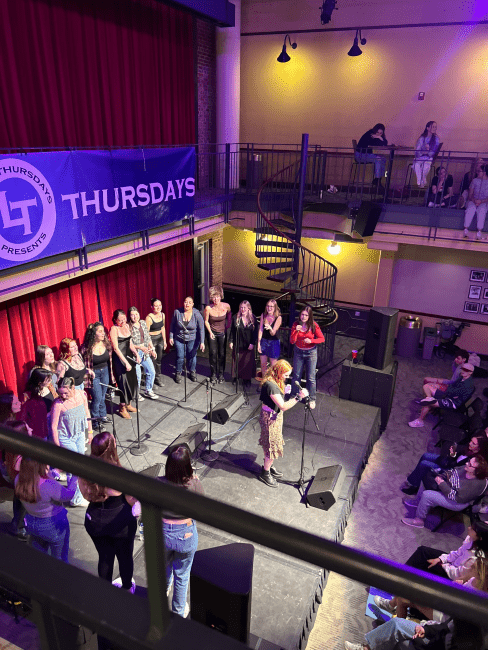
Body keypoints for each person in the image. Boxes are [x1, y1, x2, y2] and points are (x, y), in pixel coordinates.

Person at [374, 517, 488, 619]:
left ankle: (394, 601)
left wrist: (444, 566)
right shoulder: (470, 541)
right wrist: (441, 559)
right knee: (423, 552)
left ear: (480, 538)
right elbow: (457, 553)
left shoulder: (476, 562)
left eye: (472, 529)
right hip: (453, 571)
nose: (468, 528)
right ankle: (397, 584)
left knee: (422, 571)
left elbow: (457, 575)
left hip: (451, 576)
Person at [79, 432, 139, 594]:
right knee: (125, 557)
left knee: (105, 558)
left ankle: (106, 593)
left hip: (95, 521)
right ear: (112, 449)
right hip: (120, 524)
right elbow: (131, 500)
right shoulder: (118, 474)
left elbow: (85, 495)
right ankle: (127, 588)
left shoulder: (84, 470)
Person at [159, 445, 204, 617]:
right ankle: (178, 612)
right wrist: (194, 480)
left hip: (162, 533)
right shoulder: (195, 485)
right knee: (182, 575)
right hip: (185, 534)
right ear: (188, 466)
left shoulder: (157, 483)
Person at [14, 457, 78, 561]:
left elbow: (37, 481)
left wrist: (53, 473)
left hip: (31, 522)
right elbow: (68, 495)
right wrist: (75, 478)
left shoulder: (18, 479)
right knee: (60, 559)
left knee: (39, 557)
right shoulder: (48, 484)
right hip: (53, 524)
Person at [258, 359, 308, 488]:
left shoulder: (275, 380)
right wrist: (298, 397)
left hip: (275, 416)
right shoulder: (271, 385)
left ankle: (268, 466)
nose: (287, 377)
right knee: (271, 445)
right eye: (285, 375)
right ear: (279, 372)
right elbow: (283, 406)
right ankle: (265, 472)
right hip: (270, 418)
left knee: (274, 442)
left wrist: (284, 392)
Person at [402, 454, 488, 528]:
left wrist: (442, 484)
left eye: (470, 464)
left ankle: (419, 520)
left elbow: (457, 498)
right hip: (448, 487)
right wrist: (441, 477)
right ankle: (418, 502)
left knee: (427, 495)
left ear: (476, 472)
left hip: (457, 502)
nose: (466, 463)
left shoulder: (475, 485)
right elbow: (451, 472)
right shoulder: (465, 468)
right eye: (469, 461)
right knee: (425, 478)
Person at [51, 377, 92, 507]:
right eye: (60, 392)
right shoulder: (58, 404)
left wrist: (89, 432)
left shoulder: (81, 395)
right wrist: (57, 446)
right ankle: (76, 498)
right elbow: (53, 426)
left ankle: (76, 493)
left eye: (65, 393)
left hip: (79, 434)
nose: (62, 396)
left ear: (73, 388)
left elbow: (87, 413)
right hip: (65, 437)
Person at [401, 435, 488, 495]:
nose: (470, 443)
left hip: (449, 471)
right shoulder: (468, 449)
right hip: (449, 461)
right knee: (426, 455)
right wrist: (452, 454)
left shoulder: (474, 460)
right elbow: (456, 457)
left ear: (479, 448)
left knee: (424, 464)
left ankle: (414, 486)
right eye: (471, 441)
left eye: (473, 443)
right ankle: (414, 480)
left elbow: (458, 469)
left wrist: (451, 459)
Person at [408, 363, 475, 428]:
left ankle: (420, 421)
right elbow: (451, 388)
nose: (463, 371)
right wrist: (452, 391)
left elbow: (453, 393)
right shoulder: (461, 377)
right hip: (448, 395)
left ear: (470, 372)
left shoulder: (468, 385)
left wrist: (452, 392)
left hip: (453, 402)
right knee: (426, 386)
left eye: (466, 370)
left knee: (428, 402)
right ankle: (429, 399)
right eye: (462, 368)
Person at [290, 306, 325, 410]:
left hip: (311, 353)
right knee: (296, 375)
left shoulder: (313, 325)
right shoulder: (296, 324)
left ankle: (312, 398)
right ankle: (294, 396)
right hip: (298, 352)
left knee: (311, 377)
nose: (303, 317)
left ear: (309, 316)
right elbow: (292, 341)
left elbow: (321, 338)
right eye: (302, 314)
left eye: (306, 315)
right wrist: (296, 331)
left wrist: (312, 341)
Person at [109, 309, 140, 419]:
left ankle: (128, 404)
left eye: (124, 319)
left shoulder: (126, 326)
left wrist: (136, 354)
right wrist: (126, 363)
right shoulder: (114, 329)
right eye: (120, 320)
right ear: (115, 320)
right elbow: (116, 348)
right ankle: (122, 408)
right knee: (124, 384)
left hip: (129, 357)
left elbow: (130, 342)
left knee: (132, 382)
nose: (122, 322)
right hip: (120, 360)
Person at [82, 322, 113, 425]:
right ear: (93, 334)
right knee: (97, 397)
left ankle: (103, 416)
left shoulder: (106, 343)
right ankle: (95, 422)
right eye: (100, 331)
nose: (103, 333)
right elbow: (81, 364)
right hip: (93, 374)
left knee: (103, 396)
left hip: (104, 371)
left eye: (103, 331)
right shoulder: (86, 348)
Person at [169, 296, 205, 384]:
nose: (187, 304)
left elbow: (201, 329)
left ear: (193, 304)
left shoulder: (197, 314)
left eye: (189, 302)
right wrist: (170, 337)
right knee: (180, 356)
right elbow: (172, 325)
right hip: (179, 338)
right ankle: (178, 372)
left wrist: (202, 342)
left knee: (192, 356)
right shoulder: (177, 312)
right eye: (185, 302)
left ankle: (192, 372)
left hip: (193, 339)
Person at [128, 306, 159, 400]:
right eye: (132, 315)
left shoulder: (143, 323)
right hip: (135, 354)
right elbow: (130, 343)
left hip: (145, 353)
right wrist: (140, 347)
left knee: (151, 371)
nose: (135, 317)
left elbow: (148, 337)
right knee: (137, 376)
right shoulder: (128, 327)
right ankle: (136, 394)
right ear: (129, 316)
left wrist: (152, 349)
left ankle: (148, 390)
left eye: (136, 314)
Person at [204, 286, 232, 383]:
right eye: (213, 297)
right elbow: (206, 321)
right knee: (213, 353)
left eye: (217, 297)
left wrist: (228, 325)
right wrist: (210, 332)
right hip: (212, 332)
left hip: (222, 333)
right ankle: (213, 374)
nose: (215, 299)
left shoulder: (226, 306)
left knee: (222, 354)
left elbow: (229, 314)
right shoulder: (208, 308)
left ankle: (221, 374)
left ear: (221, 296)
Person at [229, 300, 258, 389]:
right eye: (241, 307)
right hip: (238, 343)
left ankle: (247, 380)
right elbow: (232, 331)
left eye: (244, 307)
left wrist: (252, 343)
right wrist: (231, 341)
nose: (242, 309)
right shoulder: (236, 317)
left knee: (247, 363)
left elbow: (255, 332)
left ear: (248, 308)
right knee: (237, 361)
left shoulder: (253, 318)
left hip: (248, 345)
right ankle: (236, 378)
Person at [20, 368, 51, 440]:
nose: (50, 381)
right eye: (48, 380)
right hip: (37, 430)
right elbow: (23, 417)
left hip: (49, 424)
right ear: (39, 382)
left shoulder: (49, 388)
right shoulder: (27, 396)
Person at [355, 123, 388, 190]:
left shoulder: (377, 137)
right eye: (377, 132)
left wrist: (380, 138)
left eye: (381, 133)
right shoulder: (369, 134)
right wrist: (378, 138)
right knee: (379, 159)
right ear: (374, 130)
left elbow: (385, 143)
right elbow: (367, 146)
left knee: (383, 159)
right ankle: (377, 181)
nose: (378, 134)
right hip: (360, 155)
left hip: (366, 154)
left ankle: (378, 179)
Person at [145, 298, 167, 387]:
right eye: (156, 306)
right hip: (152, 339)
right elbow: (146, 333)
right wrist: (150, 346)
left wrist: (165, 341)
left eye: (160, 305)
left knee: (159, 360)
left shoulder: (162, 315)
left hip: (160, 339)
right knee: (152, 360)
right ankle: (151, 380)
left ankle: (157, 378)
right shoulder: (149, 317)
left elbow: (163, 328)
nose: (158, 307)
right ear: (152, 307)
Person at [257, 299, 282, 376]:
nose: (269, 308)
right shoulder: (263, 315)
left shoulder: (278, 317)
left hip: (274, 342)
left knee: (273, 366)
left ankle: (271, 384)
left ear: (275, 307)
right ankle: (264, 384)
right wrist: (258, 343)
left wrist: (270, 328)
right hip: (264, 341)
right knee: (263, 365)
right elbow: (261, 329)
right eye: (268, 306)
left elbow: (273, 333)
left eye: (271, 306)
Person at [463, 164, 488, 240]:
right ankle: (465, 230)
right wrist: (474, 200)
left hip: (484, 202)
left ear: (484, 172)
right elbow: (470, 194)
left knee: (482, 211)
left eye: (479, 171)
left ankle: (479, 232)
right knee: (471, 209)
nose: (477, 173)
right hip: (473, 201)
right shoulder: (474, 180)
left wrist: (481, 201)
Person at [413, 121, 440, 187]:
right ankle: (420, 180)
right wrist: (424, 151)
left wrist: (428, 151)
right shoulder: (422, 138)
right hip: (420, 157)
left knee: (425, 166)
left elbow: (434, 150)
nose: (434, 128)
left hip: (429, 158)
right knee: (416, 165)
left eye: (435, 127)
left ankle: (421, 180)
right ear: (427, 128)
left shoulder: (436, 139)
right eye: (433, 127)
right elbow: (417, 150)